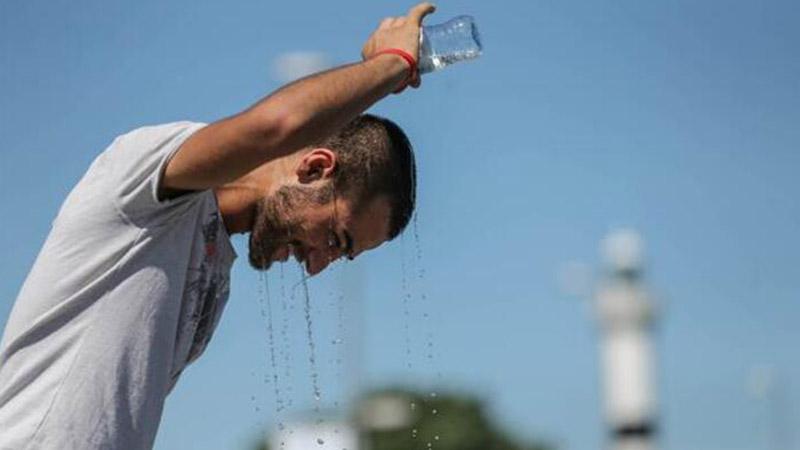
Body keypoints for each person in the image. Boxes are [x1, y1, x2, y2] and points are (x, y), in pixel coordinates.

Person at [0, 3, 435, 449]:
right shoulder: (146, 182)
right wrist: (391, 65)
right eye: (335, 238)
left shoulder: (214, 272)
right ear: (315, 168)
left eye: (341, 254)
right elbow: (276, 126)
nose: (317, 265)